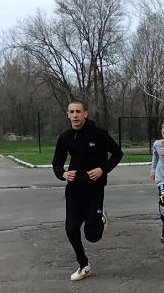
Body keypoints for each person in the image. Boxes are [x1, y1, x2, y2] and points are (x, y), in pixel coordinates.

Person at [52, 99, 123, 281]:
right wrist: (63, 174)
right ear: (68, 115)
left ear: (85, 113)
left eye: (78, 111)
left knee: (92, 236)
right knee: (71, 229)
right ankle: (84, 265)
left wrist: (102, 169)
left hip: (94, 188)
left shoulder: (99, 134)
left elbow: (117, 154)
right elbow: (57, 164)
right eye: (71, 112)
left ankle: (100, 217)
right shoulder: (65, 137)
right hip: (74, 189)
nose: (75, 115)